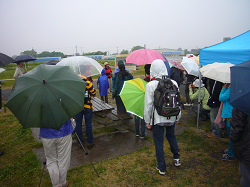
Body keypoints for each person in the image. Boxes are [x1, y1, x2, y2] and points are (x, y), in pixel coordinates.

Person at [144, 59, 181, 175]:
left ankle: (162, 167)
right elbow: (178, 102)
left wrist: (147, 121)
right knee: (171, 137)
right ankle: (176, 158)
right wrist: (177, 117)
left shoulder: (151, 85)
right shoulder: (174, 83)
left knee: (159, 142)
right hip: (171, 116)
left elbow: (148, 105)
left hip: (158, 118)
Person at [39, 120, 73, 187]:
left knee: (51, 159)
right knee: (63, 159)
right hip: (64, 131)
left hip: (47, 134)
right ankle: (63, 182)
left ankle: (56, 184)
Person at [75, 74, 96, 149]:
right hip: (87, 106)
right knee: (88, 124)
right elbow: (94, 93)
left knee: (78, 124)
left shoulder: (75, 83)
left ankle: (80, 142)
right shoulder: (88, 83)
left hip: (77, 107)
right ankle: (90, 141)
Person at [231, 108, 250, 187]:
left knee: (247, 177)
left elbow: (236, 127)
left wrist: (235, 143)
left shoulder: (243, 103)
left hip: (246, 146)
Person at [218, 83, 234, 160]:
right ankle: (231, 150)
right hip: (231, 113)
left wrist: (224, 88)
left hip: (229, 114)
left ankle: (231, 154)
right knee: (231, 135)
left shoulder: (231, 89)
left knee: (231, 135)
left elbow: (221, 98)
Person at [134, 64, 151, 139]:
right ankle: (142, 134)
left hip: (139, 100)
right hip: (145, 100)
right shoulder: (151, 80)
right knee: (143, 118)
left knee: (137, 117)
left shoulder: (145, 80)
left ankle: (137, 132)